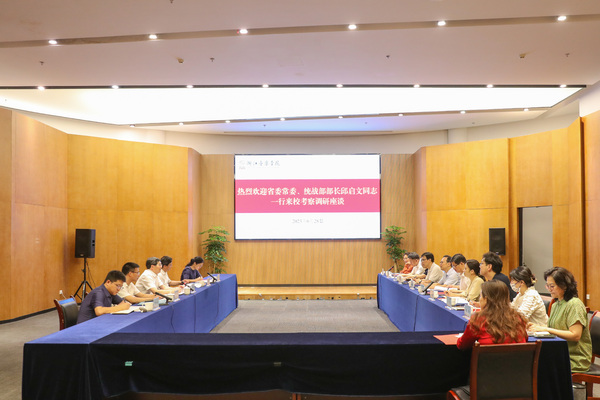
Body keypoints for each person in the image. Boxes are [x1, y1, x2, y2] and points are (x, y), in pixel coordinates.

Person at [529, 267, 592, 372]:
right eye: (547, 285)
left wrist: (546, 329)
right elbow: (555, 329)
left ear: (564, 286)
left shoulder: (574, 304)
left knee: (537, 364)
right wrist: (538, 328)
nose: (549, 289)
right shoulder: (556, 304)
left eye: (552, 286)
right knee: (532, 360)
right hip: (559, 352)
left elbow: (575, 335)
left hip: (574, 358)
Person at [457, 280, 528, 349]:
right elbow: (525, 339)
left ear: (486, 299)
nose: (480, 300)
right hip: (517, 357)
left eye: (480, 296)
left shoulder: (479, 320)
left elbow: (463, 345)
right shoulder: (518, 318)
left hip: (486, 357)